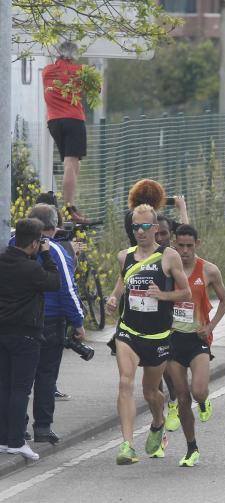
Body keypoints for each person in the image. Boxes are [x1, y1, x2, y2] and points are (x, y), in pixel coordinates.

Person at [105, 204, 191, 465]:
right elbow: (123, 280)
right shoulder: (125, 256)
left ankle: (158, 421)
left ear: (155, 228)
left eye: (144, 227)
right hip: (128, 331)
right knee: (124, 382)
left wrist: (162, 295)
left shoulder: (169, 257)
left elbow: (185, 293)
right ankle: (128, 446)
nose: (139, 232)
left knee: (151, 392)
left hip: (157, 337)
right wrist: (113, 297)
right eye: (135, 227)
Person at [18, 205, 85, 445]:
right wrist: (78, 322)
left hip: (20, 320)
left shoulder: (13, 245)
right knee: (46, 376)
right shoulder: (55, 250)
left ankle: (17, 426)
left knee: (20, 377)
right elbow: (67, 289)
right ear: (53, 227)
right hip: (50, 321)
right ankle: (43, 428)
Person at [164, 224, 225, 467]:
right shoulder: (168, 270)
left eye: (189, 246)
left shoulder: (209, 270)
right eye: (180, 246)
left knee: (198, 390)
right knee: (181, 397)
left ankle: (203, 401)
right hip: (173, 340)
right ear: (174, 245)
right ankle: (192, 448)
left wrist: (210, 328)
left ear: (197, 245)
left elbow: (223, 300)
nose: (184, 251)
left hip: (197, 340)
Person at [0, 218, 61, 461]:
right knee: (20, 389)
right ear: (35, 243)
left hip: (2, 332)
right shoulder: (33, 269)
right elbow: (54, 282)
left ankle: (3, 439)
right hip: (25, 335)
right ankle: (16, 441)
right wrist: (47, 257)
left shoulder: (2, 262)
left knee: (3, 387)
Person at [42, 42, 92, 223]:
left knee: (73, 163)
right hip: (74, 119)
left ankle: (71, 204)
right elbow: (93, 89)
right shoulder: (79, 71)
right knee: (71, 163)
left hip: (54, 121)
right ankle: (70, 206)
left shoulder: (47, 71)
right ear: (73, 55)